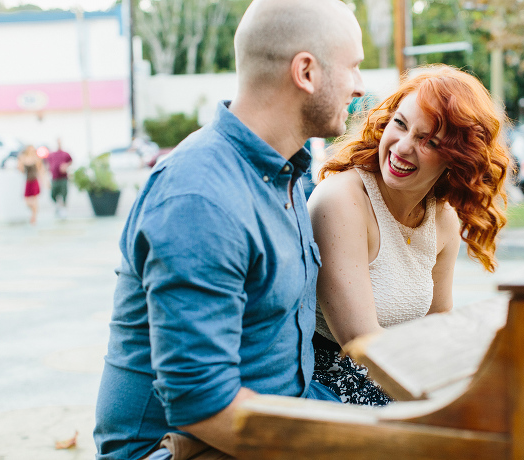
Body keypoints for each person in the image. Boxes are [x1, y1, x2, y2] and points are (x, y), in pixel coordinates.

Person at [94, 0, 365, 458]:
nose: (359, 85)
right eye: (353, 67)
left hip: (275, 416)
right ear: (306, 72)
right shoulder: (199, 198)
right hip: (178, 447)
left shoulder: (286, 172)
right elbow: (202, 403)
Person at [308, 65, 512, 406]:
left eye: (429, 141)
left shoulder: (442, 218)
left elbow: (438, 324)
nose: (402, 147)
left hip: (399, 371)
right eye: (400, 124)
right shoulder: (342, 201)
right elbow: (360, 343)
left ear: (456, 159)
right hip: (333, 384)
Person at [46, 138, 73, 218]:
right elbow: (48, 165)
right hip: (54, 178)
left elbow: (70, 161)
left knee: (64, 193)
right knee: (53, 194)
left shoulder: (65, 154)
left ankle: (64, 209)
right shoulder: (51, 155)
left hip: (63, 178)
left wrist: (66, 166)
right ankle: (58, 206)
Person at [18, 145, 44, 225]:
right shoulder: (24, 158)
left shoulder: (36, 159)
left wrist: (42, 182)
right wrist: (20, 162)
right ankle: (33, 214)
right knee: (27, 201)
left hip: (34, 181)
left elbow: (40, 170)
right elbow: (21, 170)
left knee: (35, 200)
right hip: (27, 181)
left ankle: (34, 217)